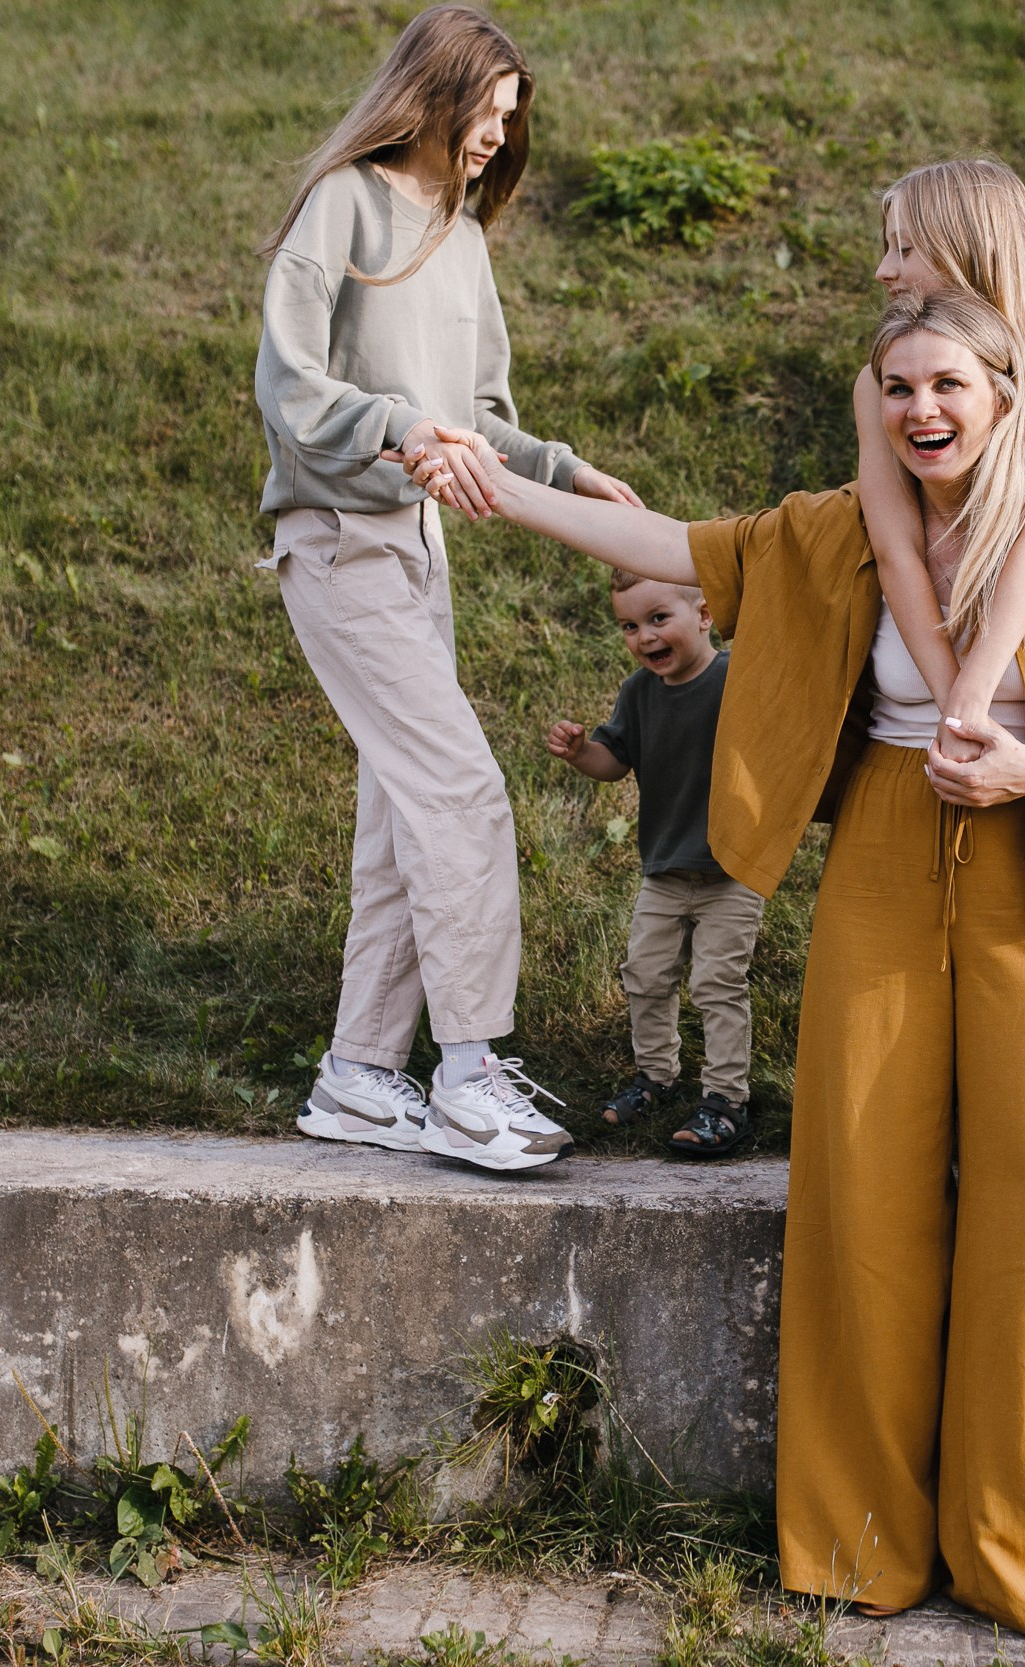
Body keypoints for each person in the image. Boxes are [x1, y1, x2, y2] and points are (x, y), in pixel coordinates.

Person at [413, 291, 1025, 1636]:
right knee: (861, 1185)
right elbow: (667, 544)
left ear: (1004, 394)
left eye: (947, 384)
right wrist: (500, 487)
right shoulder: (838, 529)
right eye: (898, 389)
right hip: (886, 845)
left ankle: (1011, 1545)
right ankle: (860, 1540)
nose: (921, 410)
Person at [251, 4, 642, 1170]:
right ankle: (469, 1077)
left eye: (512, 120)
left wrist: (567, 470)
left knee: (401, 813)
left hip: (419, 548)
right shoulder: (344, 201)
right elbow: (291, 385)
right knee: (462, 792)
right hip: (338, 539)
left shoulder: (463, 239)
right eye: (490, 110)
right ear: (436, 91)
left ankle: (359, 1074)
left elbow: (473, 420)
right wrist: (398, 426)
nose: (499, 136)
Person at [854, 159, 1025, 776]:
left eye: (905, 249)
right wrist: (957, 712)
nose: (883, 269)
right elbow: (895, 549)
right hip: (920, 651)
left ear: (967, 250)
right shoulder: (876, 380)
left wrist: (975, 691)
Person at [543, 571, 765, 1155]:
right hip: (664, 870)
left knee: (717, 983)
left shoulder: (735, 678)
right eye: (629, 626)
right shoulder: (639, 692)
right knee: (645, 976)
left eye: (658, 619)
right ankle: (656, 1078)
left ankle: (726, 1100)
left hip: (731, 870)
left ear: (705, 615)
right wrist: (581, 753)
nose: (644, 637)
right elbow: (613, 762)